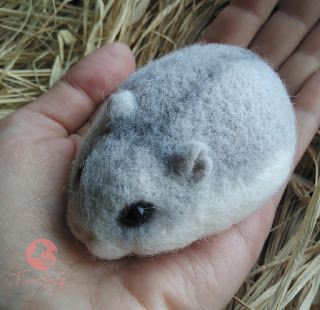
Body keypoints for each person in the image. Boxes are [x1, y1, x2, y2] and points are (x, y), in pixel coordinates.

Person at [0, 0, 319, 308]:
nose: (86, 232)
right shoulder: (118, 114)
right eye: (83, 173)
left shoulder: (216, 173)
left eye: (136, 216)